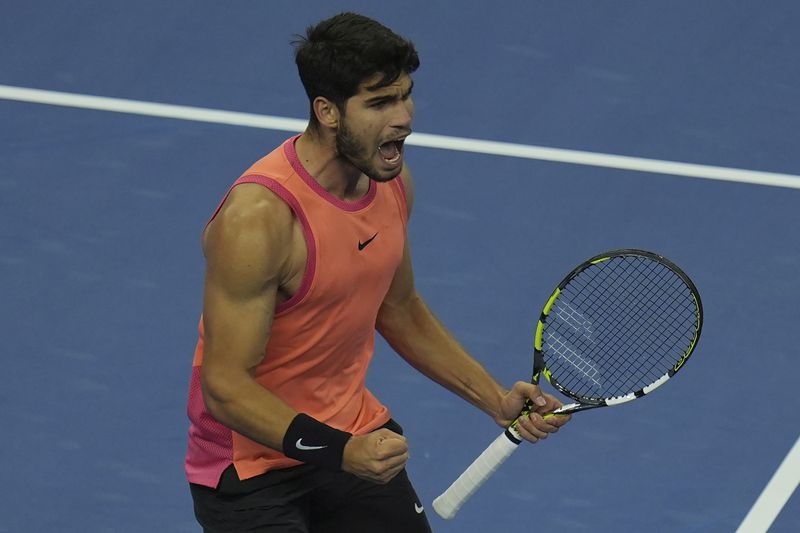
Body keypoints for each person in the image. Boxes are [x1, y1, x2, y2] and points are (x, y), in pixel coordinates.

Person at [185, 12, 570, 532]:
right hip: (252, 470)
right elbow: (226, 387)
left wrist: (494, 398)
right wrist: (341, 451)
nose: (405, 116)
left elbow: (400, 308)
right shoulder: (259, 221)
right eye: (380, 102)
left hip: (355, 439)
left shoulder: (391, 184)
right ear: (328, 112)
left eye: (405, 95)